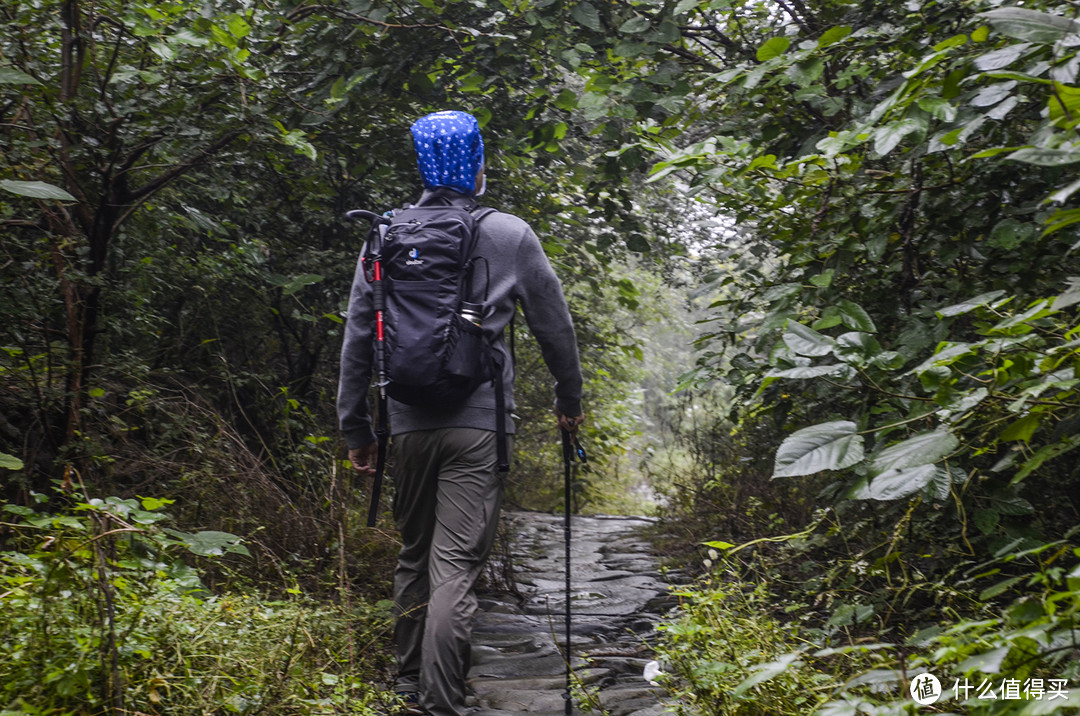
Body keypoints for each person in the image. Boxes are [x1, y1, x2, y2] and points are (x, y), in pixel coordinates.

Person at [337, 109, 585, 716]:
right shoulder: (509, 234)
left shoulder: (385, 233)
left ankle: (407, 685)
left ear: (422, 164)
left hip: (407, 421)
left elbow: (358, 339)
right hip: (479, 424)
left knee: (414, 557)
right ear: (475, 165)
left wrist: (357, 430)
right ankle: (440, 703)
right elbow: (555, 329)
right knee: (455, 570)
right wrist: (568, 398)